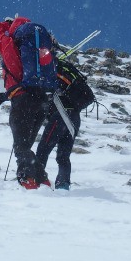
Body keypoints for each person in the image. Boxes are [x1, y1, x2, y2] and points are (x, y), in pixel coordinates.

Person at [0, 16, 57, 189]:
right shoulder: (36, 46)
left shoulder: (11, 44)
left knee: (20, 146)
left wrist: (6, 24)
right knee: (25, 145)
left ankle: (27, 180)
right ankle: (42, 179)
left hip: (22, 99)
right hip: (42, 98)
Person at [34, 57, 93, 190]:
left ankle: (37, 179)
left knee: (43, 149)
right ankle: (63, 185)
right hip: (74, 118)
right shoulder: (67, 77)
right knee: (63, 155)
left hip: (60, 115)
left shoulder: (50, 75)